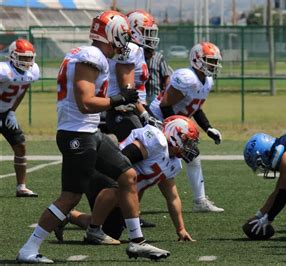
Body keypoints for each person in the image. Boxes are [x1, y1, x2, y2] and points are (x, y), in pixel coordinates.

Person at [16, 11, 169, 263]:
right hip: (77, 135)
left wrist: (118, 101)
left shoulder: (92, 56)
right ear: (111, 34)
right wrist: (119, 100)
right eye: (122, 36)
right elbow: (86, 102)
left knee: (128, 175)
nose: (124, 42)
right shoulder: (91, 56)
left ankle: (137, 242)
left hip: (90, 132)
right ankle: (29, 249)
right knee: (70, 197)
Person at [58, 116, 197, 243]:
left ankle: (68, 216)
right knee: (118, 188)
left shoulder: (173, 163)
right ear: (175, 134)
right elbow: (122, 161)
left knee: (112, 231)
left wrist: (180, 229)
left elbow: (172, 197)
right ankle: (94, 230)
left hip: (119, 187)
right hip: (103, 173)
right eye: (187, 141)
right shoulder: (156, 141)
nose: (190, 147)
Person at [148, 41, 224, 213]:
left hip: (175, 123)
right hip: (158, 119)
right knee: (152, 161)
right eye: (210, 60)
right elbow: (165, 105)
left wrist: (208, 128)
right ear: (197, 60)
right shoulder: (186, 78)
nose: (214, 65)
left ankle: (200, 201)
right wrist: (172, 130)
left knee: (192, 156)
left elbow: (195, 107)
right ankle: (125, 199)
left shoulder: (207, 81)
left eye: (215, 61)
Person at [105, 9, 160, 142]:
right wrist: (144, 113)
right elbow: (127, 91)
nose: (150, 36)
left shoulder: (137, 49)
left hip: (134, 107)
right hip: (125, 109)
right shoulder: (130, 49)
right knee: (144, 147)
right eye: (145, 31)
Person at [0, 39, 39, 197]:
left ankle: (21, 187)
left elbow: (24, 88)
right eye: (23, 58)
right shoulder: (4, 70)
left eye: (29, 58)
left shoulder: (32, 72)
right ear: (12, 56)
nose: (27, 62)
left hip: (6, 113)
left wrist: (12, 111)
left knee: (20, 146)